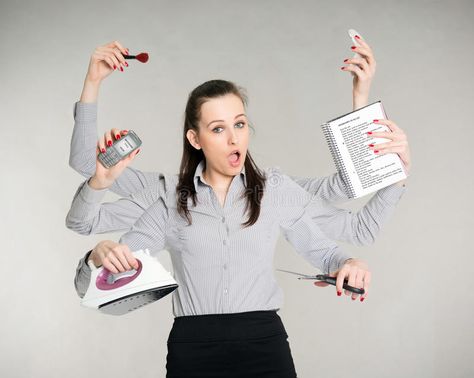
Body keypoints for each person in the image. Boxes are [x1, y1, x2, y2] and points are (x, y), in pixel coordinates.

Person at [68, 40, 410, 297]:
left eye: (240, 124)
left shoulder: (276, 191)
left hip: (264, 347)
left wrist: (367, 114)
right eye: (218, 128)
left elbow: (357, 216)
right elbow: (85, 196)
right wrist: (93, 81)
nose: (234, 139)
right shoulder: (165, 197)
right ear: (195, 138)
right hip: (194, 349)